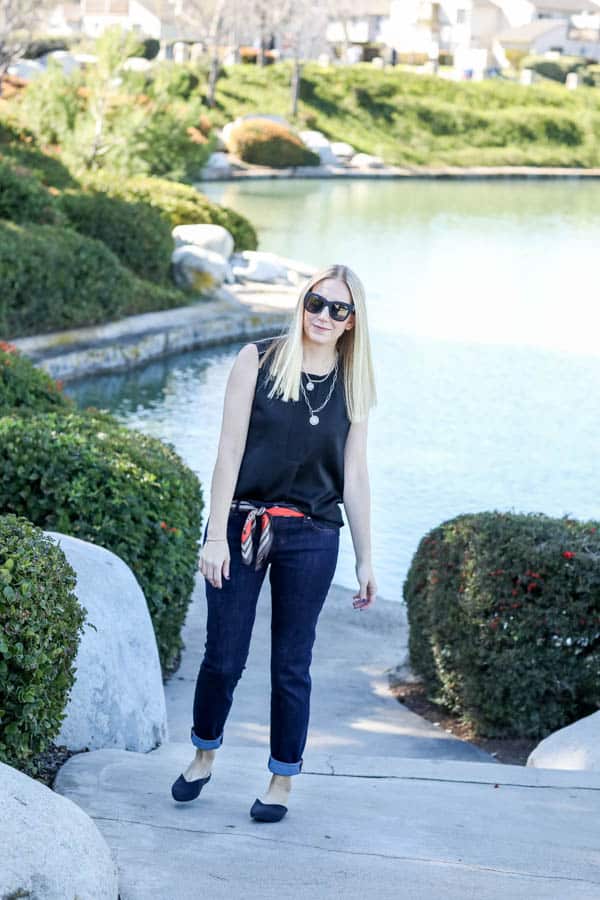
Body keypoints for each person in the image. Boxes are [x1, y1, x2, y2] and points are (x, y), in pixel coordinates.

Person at [171, 263, 378, 821]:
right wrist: (214, 535)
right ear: (302, 302)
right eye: (316, 302)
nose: (323, 315)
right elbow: (228, 451)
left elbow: (354, 476)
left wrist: (365, 556)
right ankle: (203, 753)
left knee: (292, 664)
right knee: (224, 655)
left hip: (314, 535)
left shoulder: (354, 383)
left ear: (352, 321)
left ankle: (281, 780)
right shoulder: (256, 360)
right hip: (244, 525)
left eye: (338, 308)